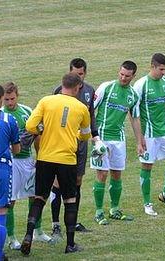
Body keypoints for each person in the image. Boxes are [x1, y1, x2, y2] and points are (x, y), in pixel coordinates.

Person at [20, 73, 91, 255]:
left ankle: (28, 236)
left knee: (39, 198)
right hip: (67, 159)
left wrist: (43, 128)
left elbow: (30, 126)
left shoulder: (46, 101)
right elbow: (85, 134)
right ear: (77, 88)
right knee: (70, 200)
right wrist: (74, 134)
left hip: (45, 157)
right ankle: (70, 244)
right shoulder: (82, 108)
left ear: (62, 85)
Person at [91, 60, 143, 225]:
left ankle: (114, 209)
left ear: (133, 76)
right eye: (121, 74)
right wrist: (93, 135)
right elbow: (90, 109)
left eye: (127, 76)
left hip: (119, 139)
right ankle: (99, 211)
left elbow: (134, 118)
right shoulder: (106, 87)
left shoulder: (133, 95)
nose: (123, 78)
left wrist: (139, 142)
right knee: (102, 173)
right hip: (101, 137)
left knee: (116, 173)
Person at [50, 58, 97, 240]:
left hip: (81, 145)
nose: (79, 77)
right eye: (75, 74)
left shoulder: (89, 91)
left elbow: (91, 115)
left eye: (81, 74)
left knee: (77, 182)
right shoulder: (58, 91)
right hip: (62, 145)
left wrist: (95, 136)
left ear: (85, 73)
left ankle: (73, 221)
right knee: (58, 184)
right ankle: (55, 225)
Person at [2, 82, 52, 250]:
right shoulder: (0, 115)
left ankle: (37, 230)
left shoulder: (27, 112)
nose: (10, 102)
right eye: (7, 99)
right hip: (11, 163)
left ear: (18, 96)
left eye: (12, 98)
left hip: (28, 161)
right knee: (10, 201)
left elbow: (38, 135)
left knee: (35, 196)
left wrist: (40, 157)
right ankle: (11, 237)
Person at [132, 53, 165, 216]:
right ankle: (147, 203)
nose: (164, 73)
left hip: (164, 130)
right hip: (149, 133)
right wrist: (139, 140)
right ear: (152, 67)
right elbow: (134, 114)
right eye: (161, 69)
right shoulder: (141, 85)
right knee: (147, 165)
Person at [0, 83, 21, 261]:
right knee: (0, 212)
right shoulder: (8, 119)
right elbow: (17, 149)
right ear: (0, 99)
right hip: (1, 169)